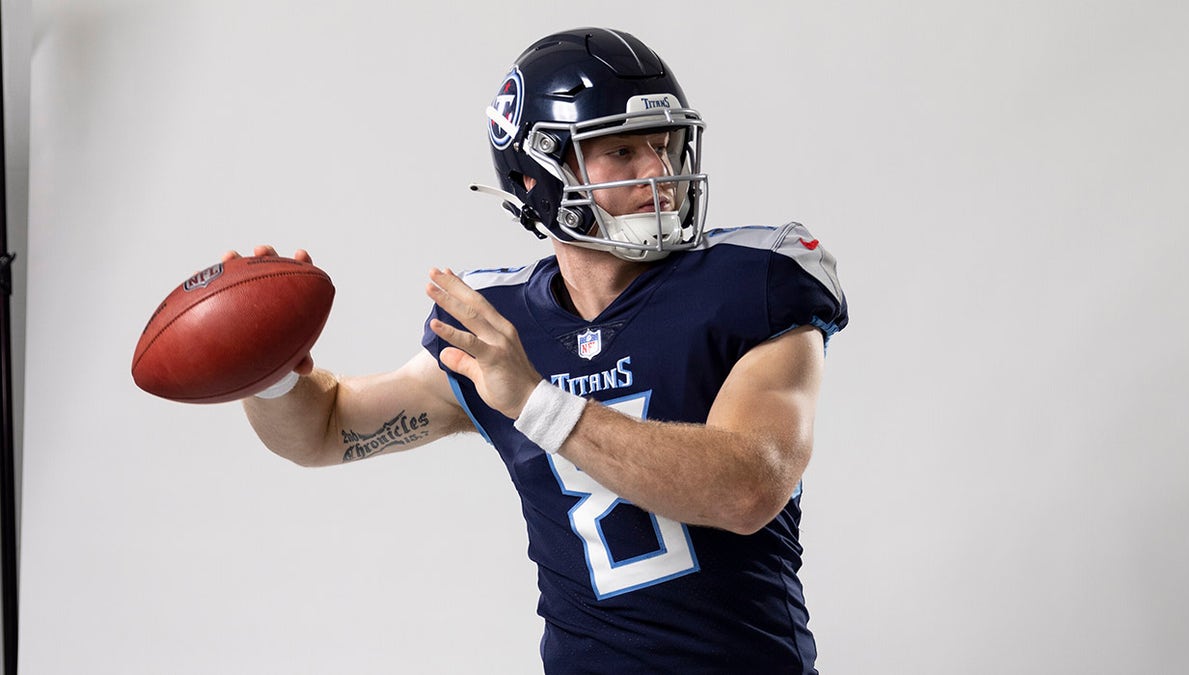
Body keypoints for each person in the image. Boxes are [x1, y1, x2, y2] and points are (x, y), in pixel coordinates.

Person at [231, 27, 848, 674]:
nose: (659, 173)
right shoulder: (498, 324)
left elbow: (748, 487)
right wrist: (268, 369)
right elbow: (325, 429)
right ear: (536, 177)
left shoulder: (752, 281)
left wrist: (538, 402)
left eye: (663, 145)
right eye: (621, 150)